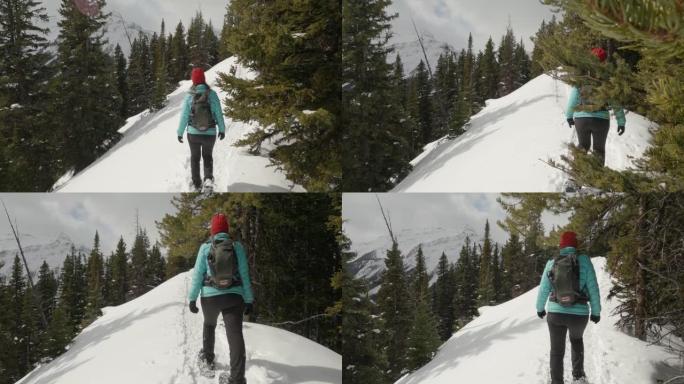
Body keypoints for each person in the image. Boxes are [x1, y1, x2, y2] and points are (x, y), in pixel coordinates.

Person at [188, 213, 254, 384]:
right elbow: (245, 275)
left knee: (209, 325)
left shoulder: (205, 247)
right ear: (226, 229)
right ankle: (237, 378)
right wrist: (249, 299)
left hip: (210, 298)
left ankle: (208, 361)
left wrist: (192, 298)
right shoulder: (236, 247)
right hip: (234, 297)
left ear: (213, 231)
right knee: (235, 334)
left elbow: (197, 275)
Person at [536, 231, 601, 384]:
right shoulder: (584, 261)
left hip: (555, 314)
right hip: (579, 316)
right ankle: (578, 377)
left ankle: (556, 381)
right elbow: (593, 288)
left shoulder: (552, 262)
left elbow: (543, 289)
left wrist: (540, 308)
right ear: (575, 245)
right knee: (576, 341)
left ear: (561, 246)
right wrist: (596, 312)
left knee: (557, 351)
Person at [565, 47, 626, 167]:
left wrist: (569, 116)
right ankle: (596, 182)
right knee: (599, 150)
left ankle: (574, 180)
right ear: (604, 62)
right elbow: (615, 102)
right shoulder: (608, 80)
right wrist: (621, 122)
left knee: (582, 146)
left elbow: (573, 99)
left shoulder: (582, 78)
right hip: (601, 120)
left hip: (581, 119)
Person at [177, 68, 227, 192]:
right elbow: (218, 114)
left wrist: (180, 132)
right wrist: (222, 129)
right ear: (204, 80)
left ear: (193, 81)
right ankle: (208, 179)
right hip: (210, 133)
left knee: (195, 157)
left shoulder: (190, 96)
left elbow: (184, 116)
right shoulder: (212, 94)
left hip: (193, 133)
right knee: (207, 156)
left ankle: (196, 183)